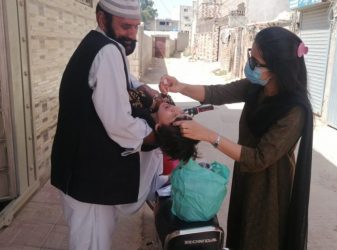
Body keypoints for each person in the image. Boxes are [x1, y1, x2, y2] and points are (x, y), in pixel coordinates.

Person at [159, 26, 314, 250]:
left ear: (277, 69)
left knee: (261, 238)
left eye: (255, 62)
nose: (249, 66)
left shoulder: (294, 111)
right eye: (250, 56)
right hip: (246, 177)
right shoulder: (257, 87)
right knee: (241, 233)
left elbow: (259, 158)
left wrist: (209, 135)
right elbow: (218, 93)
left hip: (270, 189)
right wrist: (181, 86)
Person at [50, 0, 163, 249]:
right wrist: (157, 133)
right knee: (92, 243)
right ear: (102, 19)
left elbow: (122, 81)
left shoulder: (99, 44)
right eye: (125, 27)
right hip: (86, 177)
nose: (132, 35)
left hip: (78, 170)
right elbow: (120, 124)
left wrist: (145, 91)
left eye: (136, 27)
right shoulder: (107, 50)